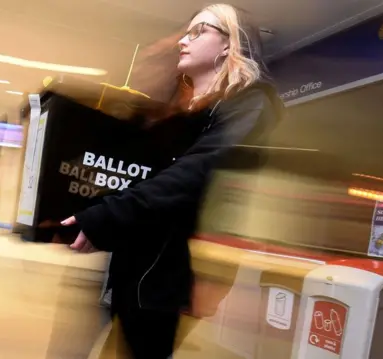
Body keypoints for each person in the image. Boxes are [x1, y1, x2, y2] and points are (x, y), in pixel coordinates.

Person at [59, 4, 285, 358]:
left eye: (198, 31)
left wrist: (108, 217)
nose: (183, 40)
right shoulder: (184, 111)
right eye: (185, 32)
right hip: (136, 266)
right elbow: (135, 175)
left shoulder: (251, 103)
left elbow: (192, 175)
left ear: (229, 43)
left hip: (177, 276)